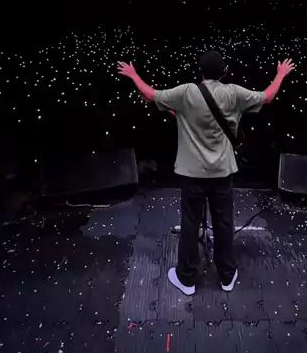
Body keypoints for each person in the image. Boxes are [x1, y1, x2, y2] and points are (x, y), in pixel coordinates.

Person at [117, 50, 296, 295]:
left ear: (200, 71)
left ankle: (187, 279)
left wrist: (133, 75)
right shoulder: (234, 93)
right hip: (222, 174)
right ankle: (227, 276)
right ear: (224, 72)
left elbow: (150, 95)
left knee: (190, 224)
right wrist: (281, 74)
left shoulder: (186, 93)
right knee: (224, 223)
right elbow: (267, 97)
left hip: (192, 175)